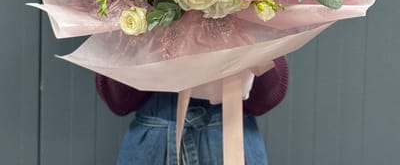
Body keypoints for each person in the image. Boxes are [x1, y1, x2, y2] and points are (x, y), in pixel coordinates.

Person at [96, 57, 288, 165]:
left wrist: (250, 31)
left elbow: (265, 98)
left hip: (230, 135)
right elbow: (119, 100)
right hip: (154, 144)